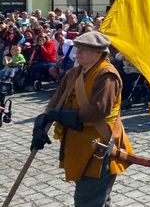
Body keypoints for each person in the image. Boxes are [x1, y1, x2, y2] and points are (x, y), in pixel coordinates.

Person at [31, 31, 133, 207]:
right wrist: (42, 122)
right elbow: (57, 98)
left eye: (83, 50)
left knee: (87, 201)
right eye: (77, 49)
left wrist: (64, 116)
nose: (77, 53)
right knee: (97, 200)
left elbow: (99, 111)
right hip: (79, 147)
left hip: (99, 147)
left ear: (99, 53)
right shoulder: (74, 73)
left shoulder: (107, 75)